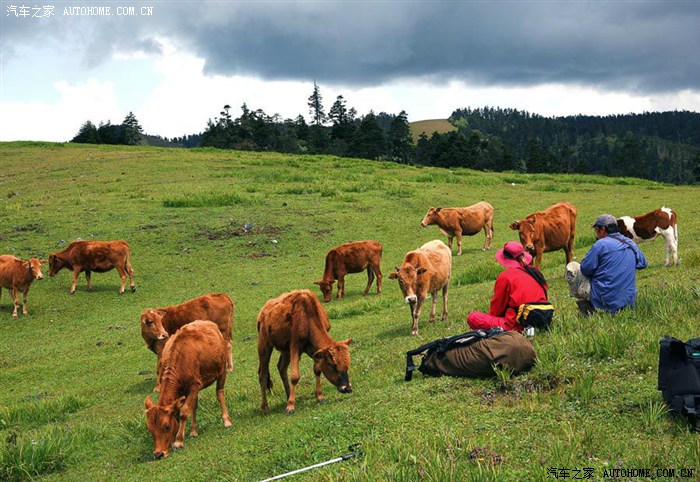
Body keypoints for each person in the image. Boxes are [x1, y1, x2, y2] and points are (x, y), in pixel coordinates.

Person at [566, 213, 647, 316]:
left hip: (605, 299)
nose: (595, 233)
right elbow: (642, 263)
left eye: (596, 230)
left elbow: (585, 269)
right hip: (629, 299)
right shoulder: (629, 243)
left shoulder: (600, 245)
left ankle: (587, 307)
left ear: (602, 230)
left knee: (573, 267)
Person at [467, 241, 548, 333]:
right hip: (543, 319)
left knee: (473, 317)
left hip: (518, 324)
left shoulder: (506, 276)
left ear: (505, 259)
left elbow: (496, 311)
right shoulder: (535, 272)